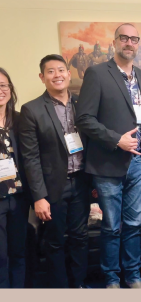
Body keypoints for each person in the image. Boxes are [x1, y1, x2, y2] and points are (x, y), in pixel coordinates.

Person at [76, 23, 141, 289]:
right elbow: (84, 118)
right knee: (111, 226)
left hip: (138, 163)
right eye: (124, 38)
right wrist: (115, 139)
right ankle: (111, 280)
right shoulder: (97, 74)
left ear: (137, 43)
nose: (129, 43)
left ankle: (133, 276)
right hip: (108, 163)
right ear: (114, 42)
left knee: (133, 224)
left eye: (134, 39)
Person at [19, 54, 91, 288]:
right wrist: (39, 197)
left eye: (61, 70)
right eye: (50, 71)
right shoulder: (32, 110)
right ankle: (60, 289)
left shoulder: (83, 104)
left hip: (81, 182)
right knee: (55, 241)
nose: (57, 75)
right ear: (42, 77)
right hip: (52, 188)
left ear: (69, 74)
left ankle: (79, 284)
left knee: (80, 238)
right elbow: (30, 157)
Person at [0, 68, 30, 288]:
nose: (0, 90)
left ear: (10, 89)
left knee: (19, 252)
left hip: (19, 197)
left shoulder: (20, 120)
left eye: (3, 85)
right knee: (1, 256)